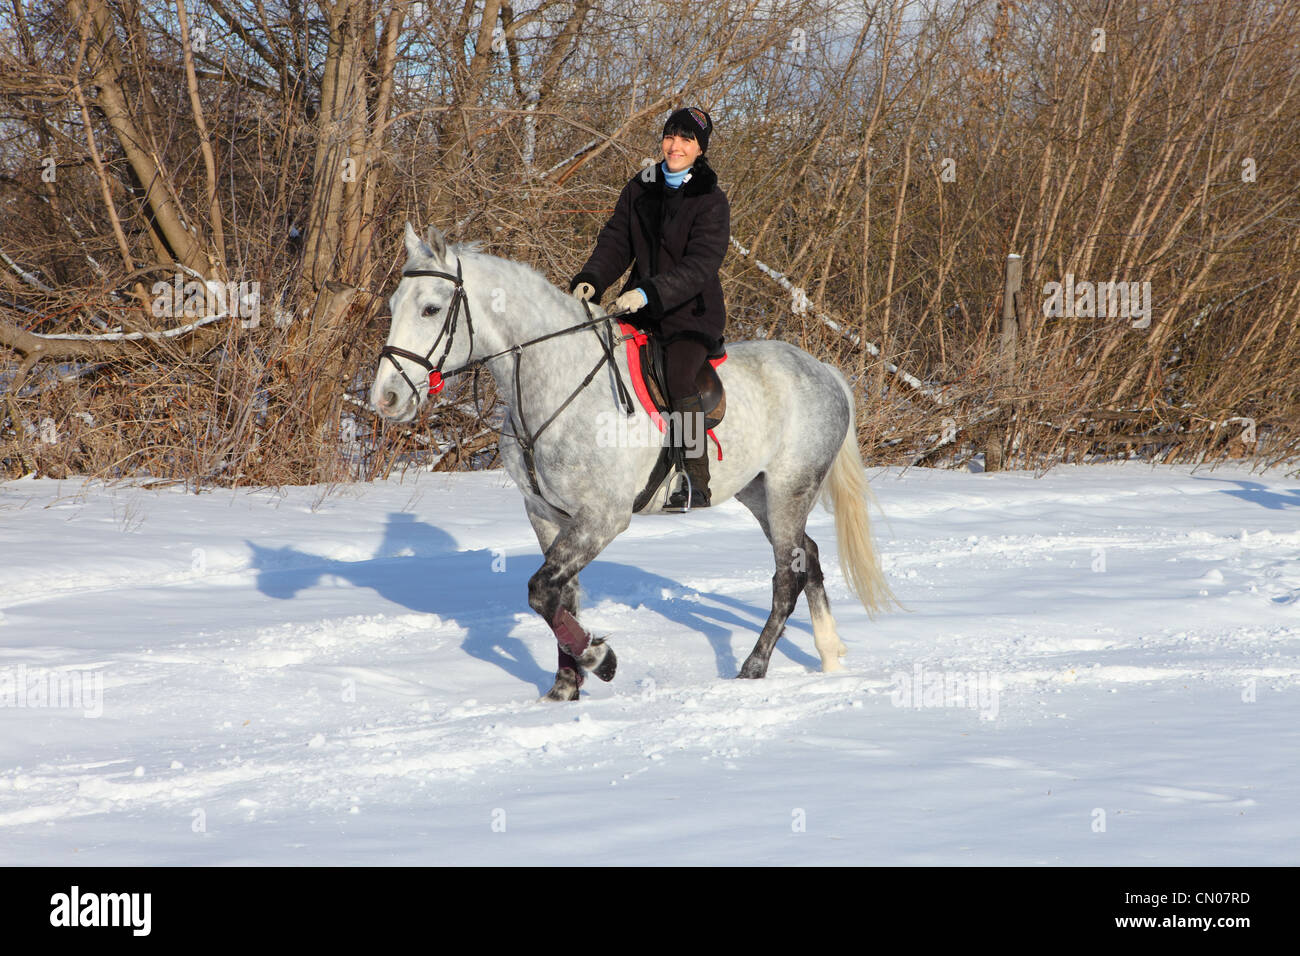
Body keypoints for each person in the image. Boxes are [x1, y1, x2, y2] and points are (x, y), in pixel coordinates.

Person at [570, 106, 730, 510]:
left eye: (687, 140)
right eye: (670, 136)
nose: (675, 146)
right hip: (638, 308)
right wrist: (592, 279)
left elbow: (701, 265)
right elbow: (615, 242)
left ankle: (694, 481)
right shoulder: (640, 187)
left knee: (678, 375)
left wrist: (648, 293)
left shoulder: (710, 200)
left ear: (700, 149)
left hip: (691, 313)